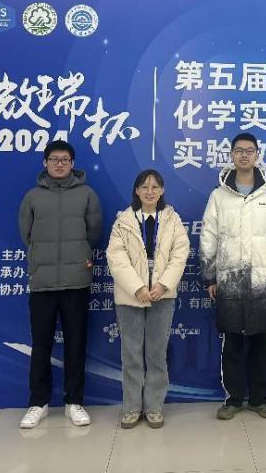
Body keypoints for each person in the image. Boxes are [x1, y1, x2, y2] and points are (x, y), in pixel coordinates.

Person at [200, 133, 266, 420]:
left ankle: (260, 399)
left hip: (264, 279)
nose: (244, 155)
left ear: (257, 155)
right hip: (230, 280)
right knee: (233, 342)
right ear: (231, 155)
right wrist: (210, 277)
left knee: (262, 342)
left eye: (249, 151)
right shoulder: (218, 196)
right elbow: (208, 237)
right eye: (239, 150)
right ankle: (234, 399)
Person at [17, 140, 103, 429]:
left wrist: (77, 255)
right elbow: (26, 234)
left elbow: (94, 232)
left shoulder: (87, 194)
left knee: (76, 344)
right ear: (45, 163)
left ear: (72, 164)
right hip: (42, 283)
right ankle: (38, 403)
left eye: (65, 160)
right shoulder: (32, 196)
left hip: (75, 281)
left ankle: (73, 402)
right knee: (41, 345)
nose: (59, 164)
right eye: (54, 159)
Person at [107, 169, 190, 429]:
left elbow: (180, 254)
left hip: (162, 295)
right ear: (136, 190)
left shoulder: (173, 220)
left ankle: (154, 407)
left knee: (156, 354)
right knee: (131, 354)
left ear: (162, 190)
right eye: (144, 187)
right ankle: (131, 408)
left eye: (155, 187)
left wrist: (163, 284)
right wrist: (138, 287)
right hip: (130, 296)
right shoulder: (123, 221)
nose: (150, 191)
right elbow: (116, 258)